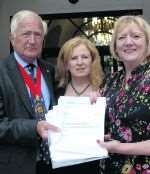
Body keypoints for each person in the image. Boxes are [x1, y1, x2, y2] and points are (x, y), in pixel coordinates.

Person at [0, 10, 59, 174]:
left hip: (52, 162)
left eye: (38, 35)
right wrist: (34, 128)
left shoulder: (49, 71)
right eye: (26, 34)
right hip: (16, 166)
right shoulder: (2, 72)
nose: (32, 40)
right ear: (12, 38)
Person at [97, 15, 150, 174]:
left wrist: (119, 147)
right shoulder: (110, 81)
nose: (128, 42)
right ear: (115, 46)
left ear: (147, 43)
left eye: (136, 36)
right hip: (109, 168)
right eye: (121, 37)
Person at [54, 36, 104, 174]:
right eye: (74, 58)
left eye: (85, 57)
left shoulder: (105, 89)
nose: (80, 62)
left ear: (93, 60)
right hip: (63, 165)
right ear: (65, 64)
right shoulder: (56, 92)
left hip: (97, 164)